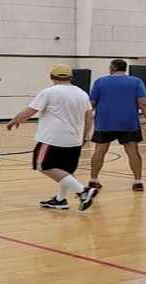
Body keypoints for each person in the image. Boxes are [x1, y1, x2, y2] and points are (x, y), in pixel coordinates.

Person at [6, 65, 98, 211]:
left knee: (42, 165)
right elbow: (89, 116)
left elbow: (31, 110)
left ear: (52, 77)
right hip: (74, 140)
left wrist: (15, 120)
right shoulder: (82, 94)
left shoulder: (48, 92)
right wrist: (85, 136)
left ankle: (83, 191)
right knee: (65, 171)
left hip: (52, 139)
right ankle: (61, 200)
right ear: (70, 77)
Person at [88, 59, 146, 192]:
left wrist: (85, 121)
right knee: (133, 152)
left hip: (104, 123)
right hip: (128, 123)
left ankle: (93, 181)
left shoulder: (100, 81)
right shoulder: (136, 81)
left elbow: (91, 104)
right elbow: (144, 104)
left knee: (99, 152)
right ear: (125, 68)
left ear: (112, 68)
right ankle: (138, 182)